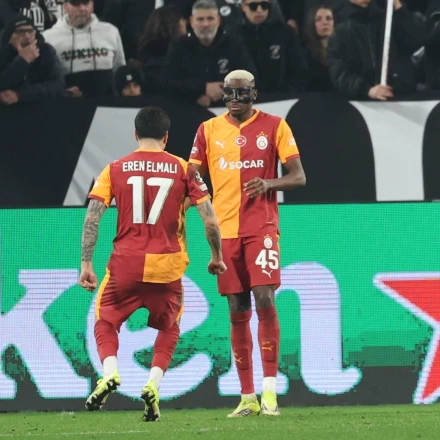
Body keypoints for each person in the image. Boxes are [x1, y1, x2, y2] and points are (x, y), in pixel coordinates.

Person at [78, 106, 226, 421]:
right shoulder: (184, 169)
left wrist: (86, 262)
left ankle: (110, 373)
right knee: (169, 327)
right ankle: (153, 384)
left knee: (105, 321)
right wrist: (216, 257)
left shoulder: (114, 168)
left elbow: (92, 216)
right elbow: (211, 220)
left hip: (126, 265)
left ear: (135, 134)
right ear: (166, 137)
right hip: (167, 267)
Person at [188, 69, 306, 417]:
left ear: (255, 93)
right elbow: (193, 176)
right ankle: (247, 396)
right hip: (224, 231)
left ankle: (270, 392)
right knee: (237, 308)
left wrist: (269, 184)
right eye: (229, 93)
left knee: (264, 298)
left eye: (242, 93)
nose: (235, 99)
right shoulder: (208, 129)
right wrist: (197, 202)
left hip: (261, 228)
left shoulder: (275, 126)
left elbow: (298, 176)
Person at [0, 14, 65, 104]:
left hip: (40, 106)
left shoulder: (45, 50)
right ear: (10, 36)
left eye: (30, 31)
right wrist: (22, 61)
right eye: (20, 32)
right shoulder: (2, 52)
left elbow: (58, 85)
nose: (27, 36)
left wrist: (20, 95)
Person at [303, 5, 335, 91]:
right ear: (312, 24)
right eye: (318, 19)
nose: (325, 22)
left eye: (329, 18)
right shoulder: (307, 53)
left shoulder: (346, 48)